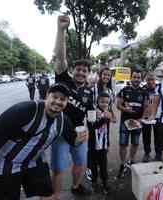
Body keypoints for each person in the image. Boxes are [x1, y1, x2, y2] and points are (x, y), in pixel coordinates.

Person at [0, 83, 88, 200]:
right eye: (55, 97)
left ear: (66, 102)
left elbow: (72, 140)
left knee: (48, 194)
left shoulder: (63, 120)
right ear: (47, 96)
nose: (58, 102)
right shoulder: (27, 109)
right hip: (7, 161)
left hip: (34, 161)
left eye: (62, 99)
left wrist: (80, 138)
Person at [51, 15, 94, 199]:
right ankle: (56, 195)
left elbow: (90, 115)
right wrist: (61, 30)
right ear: (72, 70)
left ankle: (76, 186)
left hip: (79, 134)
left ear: (88, 74)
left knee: (80, 164)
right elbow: (60, 57)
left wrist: (89, 131)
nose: (81, 72)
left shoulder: (88, 92)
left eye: (85, 70)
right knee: (59, 169)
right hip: (60, 133)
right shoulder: (64, 79)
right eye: (78, 69)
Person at [116, 68, 149, 178]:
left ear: (141, 79)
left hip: (137, 122)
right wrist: (126, 110)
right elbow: (118, 105)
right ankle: (122, 163)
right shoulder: (125, 90)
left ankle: (131, 160)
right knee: (123, 144)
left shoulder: (144, 91)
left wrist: (142, 118)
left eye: (138, 77)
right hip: (125, 122)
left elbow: (146, 107)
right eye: (134, 77)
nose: (136, 79)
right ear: (131, 78)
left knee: (135, 143)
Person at [87, 92, 113, 194]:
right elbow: (93, 126)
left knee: (103, 165)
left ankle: (105, 182)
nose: (104, 104)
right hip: (93, 145)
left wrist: (108, 143)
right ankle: (94, 182)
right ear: (97, 101)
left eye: (107, 102)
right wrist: (104, 119)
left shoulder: (108, 112)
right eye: (102, 102)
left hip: (103, 145)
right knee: (93, 165)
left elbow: (108, 129)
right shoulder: (92, 111)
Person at [141, 72, 163, 162]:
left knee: (158, 136)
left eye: (152, 79)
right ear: (146, 81)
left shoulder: (160, 89)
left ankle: (159, 154)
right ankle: (147, 153)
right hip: (146, 117)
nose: (150, 82)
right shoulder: (143, 89)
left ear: (155, 80)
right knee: (146, 136)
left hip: (158, 116)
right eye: (148, 80)